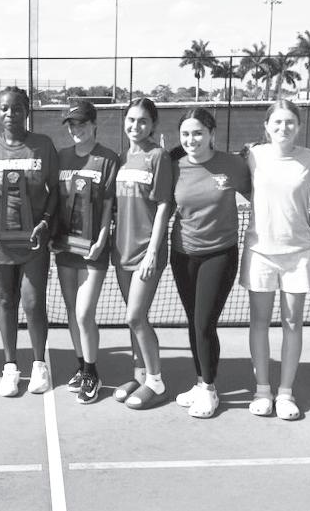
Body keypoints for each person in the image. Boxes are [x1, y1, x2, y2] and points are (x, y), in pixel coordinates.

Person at [243, 100, 310, 420]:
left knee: (292, 323)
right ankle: (262, 390)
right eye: (277, 122)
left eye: (289, 122)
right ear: (266, 126)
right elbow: (242, 186)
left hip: (298, 254)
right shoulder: (253, 155)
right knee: (259, 322)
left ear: (298, 126)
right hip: (260, 252)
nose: (283, 127)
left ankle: (285, 393)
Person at [0, 86, 59, 397]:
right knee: (5, 301)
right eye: (4, 108)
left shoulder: (43, 145)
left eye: (17, 108)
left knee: (33, 303)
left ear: (27, 111)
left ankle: (39, 364)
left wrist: (45, 221)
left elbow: (55, 190)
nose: (10, 113)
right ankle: (10, 366)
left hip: (34, 241)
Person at [171, 108, 251, 419]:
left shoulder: (233, 165)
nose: (191, 139)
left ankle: (209, 388)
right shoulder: (174, 166)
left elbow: (260, 195)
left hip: (220, 254)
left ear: (211, 134)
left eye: (198, 133)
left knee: (204, 322)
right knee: (194, 321)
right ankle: (200, 381)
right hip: (182, 254)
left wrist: (295, 214)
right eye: (186, 134)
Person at [53, 100, 119, 404]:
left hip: (93, 249)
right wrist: (53, 235)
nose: (76, 129)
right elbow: (55, 201)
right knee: (71, 311)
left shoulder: (108, 159)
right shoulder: (62, 157)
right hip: (65, 248)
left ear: (94, 124)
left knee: (84, 313)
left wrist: (101, 240)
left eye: (82, 123)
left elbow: (107, 205)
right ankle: (81, 366)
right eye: (72, 124)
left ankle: (92, 372)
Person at [111, 98, 172, 410]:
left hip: (147, 252)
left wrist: (152, 253)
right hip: (121, 249)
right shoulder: (122, 157)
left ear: (153, 125)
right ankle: (139, 376)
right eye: (131, 120)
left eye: (143, 121)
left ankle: (156, 382)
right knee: (134, 319)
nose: (136, 126)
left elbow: (163, 206)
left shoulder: (158, 156)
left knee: (135, 316)